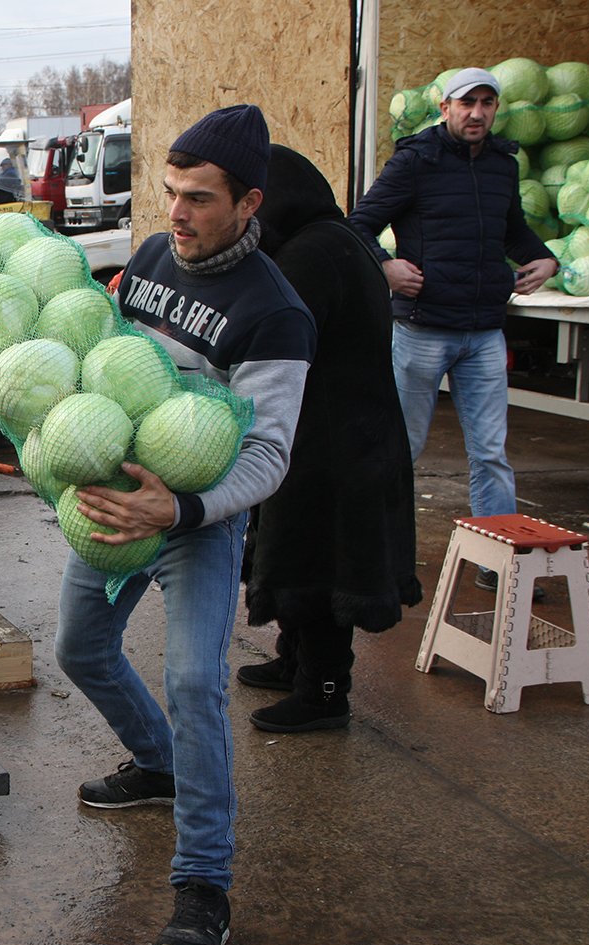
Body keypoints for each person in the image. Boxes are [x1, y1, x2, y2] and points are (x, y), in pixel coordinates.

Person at [0, 105, 314, 945]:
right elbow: (97, 364)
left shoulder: (276, 315)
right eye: (169, 194)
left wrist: (182, 510)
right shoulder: (154, 259)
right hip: (112, 507)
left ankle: (203, 885)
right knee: (81, 650)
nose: (176, 215)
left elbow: (268, 458)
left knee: (195, 679)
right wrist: (8, 387)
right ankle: (158, 766)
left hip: (195, 521)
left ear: (248, 203)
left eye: (198, 199)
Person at [347, 68, 558, 589]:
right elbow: (357, 225)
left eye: (487, 103)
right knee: (402, 447)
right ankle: (373, 555)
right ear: (445, 107)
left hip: (484, 331)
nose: (477, 113)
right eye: (467, 103)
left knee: (491, 452)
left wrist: (544, 258)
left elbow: (513, 229)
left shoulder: (502, 166)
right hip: (422, 331)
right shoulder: (416, 162)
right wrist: (386, 267)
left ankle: (497, 562)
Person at [239, 144, 423, 734]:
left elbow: (273, 336)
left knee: (321, 565)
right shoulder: (333, 239)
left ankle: (324, 692)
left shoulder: (314, 254)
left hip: (339, 443)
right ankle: (295, 663)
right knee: (297, 549)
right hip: (338, 430)